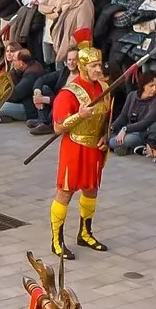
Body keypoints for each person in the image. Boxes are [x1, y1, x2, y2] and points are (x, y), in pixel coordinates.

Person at [49, 29, 112, 258]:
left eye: (99, 64)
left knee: (91, 190)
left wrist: (106, 135)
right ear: (84, 67)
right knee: (65, 191)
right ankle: (57, 239)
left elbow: (106, 117)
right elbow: (58, 127)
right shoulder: (69, 93)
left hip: (94, 146)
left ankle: (85, 232)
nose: (98, 69)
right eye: (94, 66)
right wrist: (80, 116)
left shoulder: (104, 88)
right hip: (74, 147)